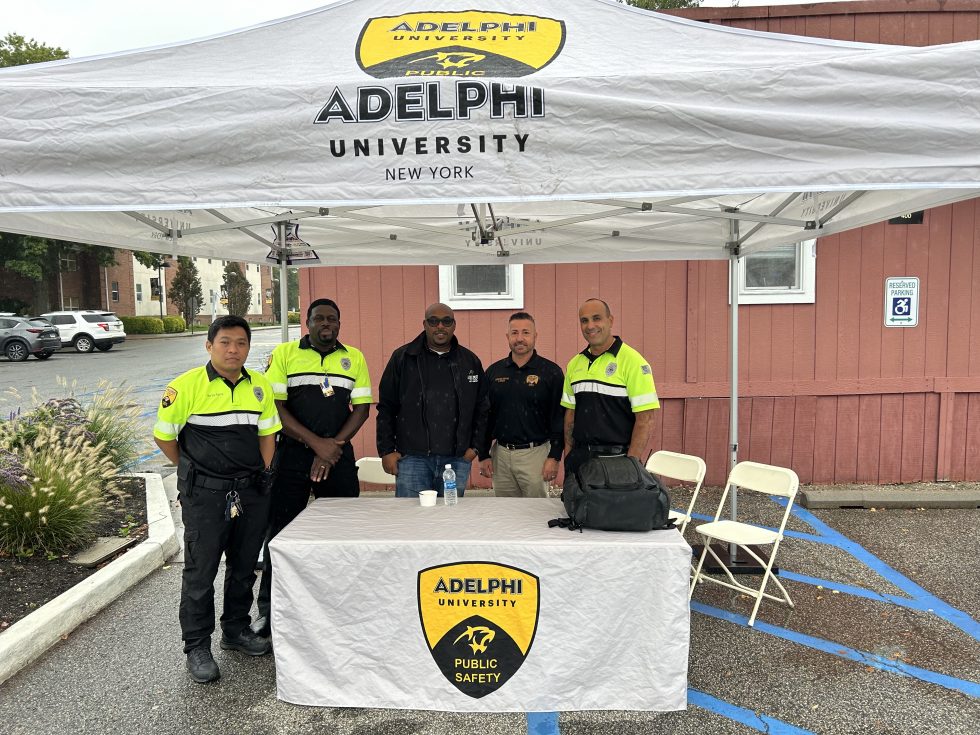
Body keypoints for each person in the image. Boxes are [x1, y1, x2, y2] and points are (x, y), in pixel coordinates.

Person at [153, 315, 281, 684]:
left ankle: (235, 631)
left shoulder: (260, 387)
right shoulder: (185, 386)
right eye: (225, 342)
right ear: (209, 346)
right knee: (201, 572)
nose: (233, 349)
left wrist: (265, 470)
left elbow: (268, 433)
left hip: (251, 491)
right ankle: (197, 646)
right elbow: (164, 437)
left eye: (241, 343)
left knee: (243, 567)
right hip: (205, 495)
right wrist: (193, 469)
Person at [251, 298, 372, 638]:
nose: (326, 324)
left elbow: (361, 409)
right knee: (281, 534)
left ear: (339, 323)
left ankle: (339, 606)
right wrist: (315, 444)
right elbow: (276, 407)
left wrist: (331, 448)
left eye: (332, 319)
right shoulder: (287, 354)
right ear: (307, 322)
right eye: (319, 318)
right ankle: (270, 611)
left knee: (342, 533)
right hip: (292, 456)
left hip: (338, 456)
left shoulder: (355, 358)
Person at [376, 302, 489, 498]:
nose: (440, 326)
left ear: (454, 325)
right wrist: (386, 450)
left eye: (446, 321)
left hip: (456, 460)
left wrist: (475, 448)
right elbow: (386, 407)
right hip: (412, 459)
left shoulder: (469, 362)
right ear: (424, 324)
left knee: (448, 522)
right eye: (433, 321)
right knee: (411, 521)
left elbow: (483, 408)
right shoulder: (403, 358)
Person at [561, 298, 660, 478]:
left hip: (616, 460)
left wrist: (631, 465)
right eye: (584, 320)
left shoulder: (634, 362)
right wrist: (568, 455)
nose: (590, 325)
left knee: (611, 508)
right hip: (579, 460)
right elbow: (570, 415)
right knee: (574, 507)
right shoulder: (574, 364)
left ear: (610, 320)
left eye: (596, 318)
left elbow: (645, 420)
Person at [478, 311, 564, 497]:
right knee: (506, 514)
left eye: (526, 332)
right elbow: (485, 417)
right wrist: (484, 454)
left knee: (536, 514)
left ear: (535, 336)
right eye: (514, 333)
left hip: (535, 455)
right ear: (508, 337)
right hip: (501, 455)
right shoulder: (494, 372)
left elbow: (559, 418)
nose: (520, 338)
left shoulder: (551, 373)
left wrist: (554, 457)